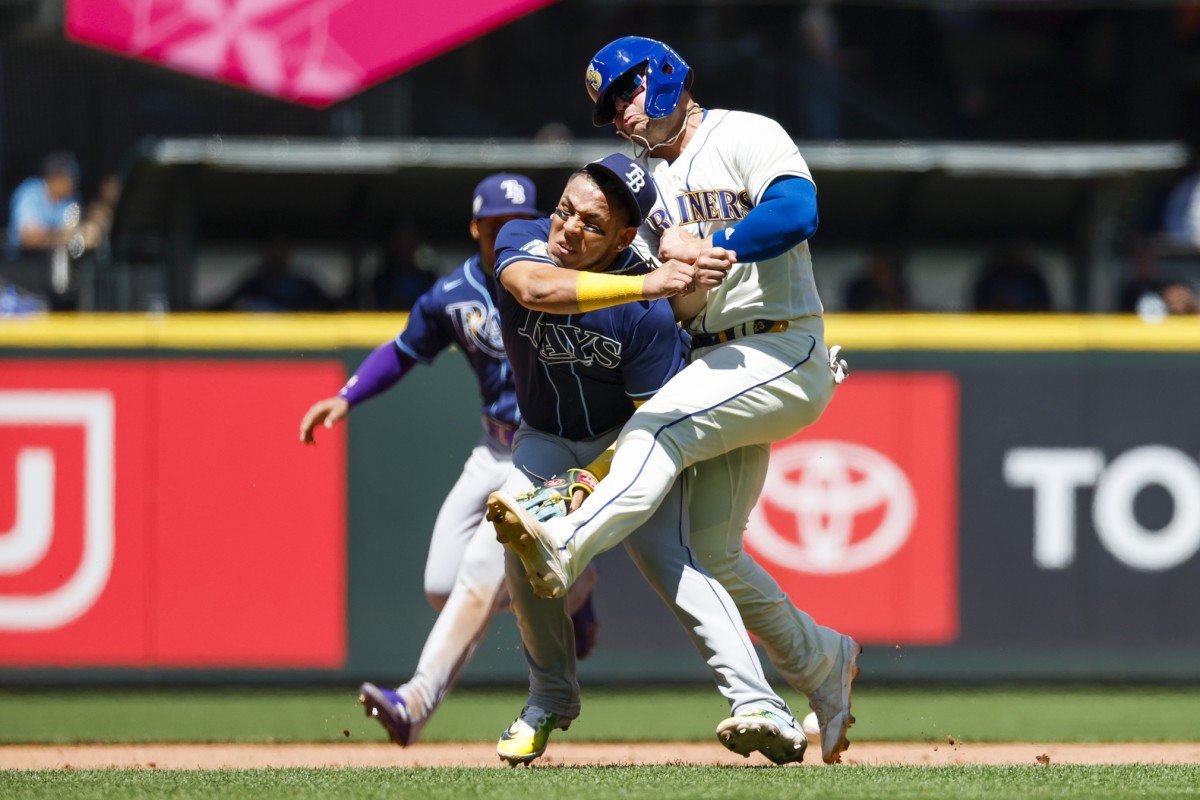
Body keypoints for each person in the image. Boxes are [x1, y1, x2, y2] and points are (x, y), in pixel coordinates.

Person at [488, 36, 860, 765]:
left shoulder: (743, 133)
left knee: (655, 428)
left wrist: (721, 238)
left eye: (625, 93)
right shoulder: (644, 187)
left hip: (777, 343)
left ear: (663, 77)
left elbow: (797, 211)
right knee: (714, 554)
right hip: (715, 361)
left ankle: (563, 541)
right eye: (609, 107)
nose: (622, 114)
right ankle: (824, 661)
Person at [299, 173, 597, 746]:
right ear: (475, 229)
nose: (506, 232)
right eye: (494, 225)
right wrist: (346, 395)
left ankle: (415, 701)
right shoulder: (453, 294)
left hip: (546, 452)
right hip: (493, 447)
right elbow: (403, 349)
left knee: (481, 573)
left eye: (519, 220)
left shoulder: (558, 276)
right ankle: (574, 587)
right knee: (443, 584)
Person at [207, 233, 337, 312]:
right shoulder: (253, 284)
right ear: (264, 252)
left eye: (281, 248)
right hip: (260, 341)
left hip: (299, 342)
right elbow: (222, 307)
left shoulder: (305, 284)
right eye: (272, 248)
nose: (277, 254)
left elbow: (333, 307)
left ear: (289, 252)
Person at [6, 152, 82, 255]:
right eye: (68, 178)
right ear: (55, 178)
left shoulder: (70, 200)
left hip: (53, 262)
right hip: (22, 261)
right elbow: (29, 238)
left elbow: (75, 234)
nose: (72, 183)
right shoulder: (30, 192)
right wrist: (62, 236)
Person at [971, 239, 1053, 312]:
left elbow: (1044, 305)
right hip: (995, 323)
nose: (1013, 256)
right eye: (1009, 251)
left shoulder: (1034, 278)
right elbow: (979, 306)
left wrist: (1024, 309)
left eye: (1018, 251)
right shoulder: (990, 278)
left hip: (1030, 324)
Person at [843, 246, 910, 312]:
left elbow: (901, 312)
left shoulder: (899, 288)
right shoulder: (858, 289)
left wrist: (889, 291)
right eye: (879, 258)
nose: (883, 264)